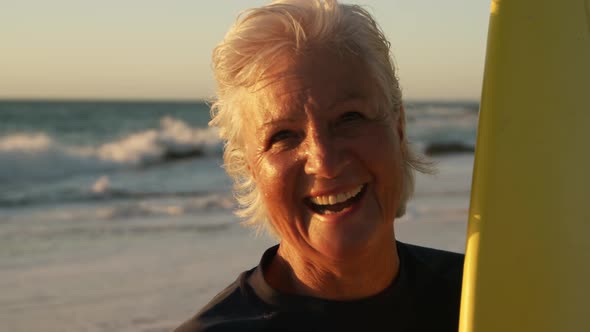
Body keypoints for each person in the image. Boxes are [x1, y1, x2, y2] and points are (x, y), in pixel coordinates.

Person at [175, 0, 464, 331]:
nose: (324, 162)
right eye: (283, 136)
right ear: (250, 168)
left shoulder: (489, 299)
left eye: (349, 117)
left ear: (399, 128)